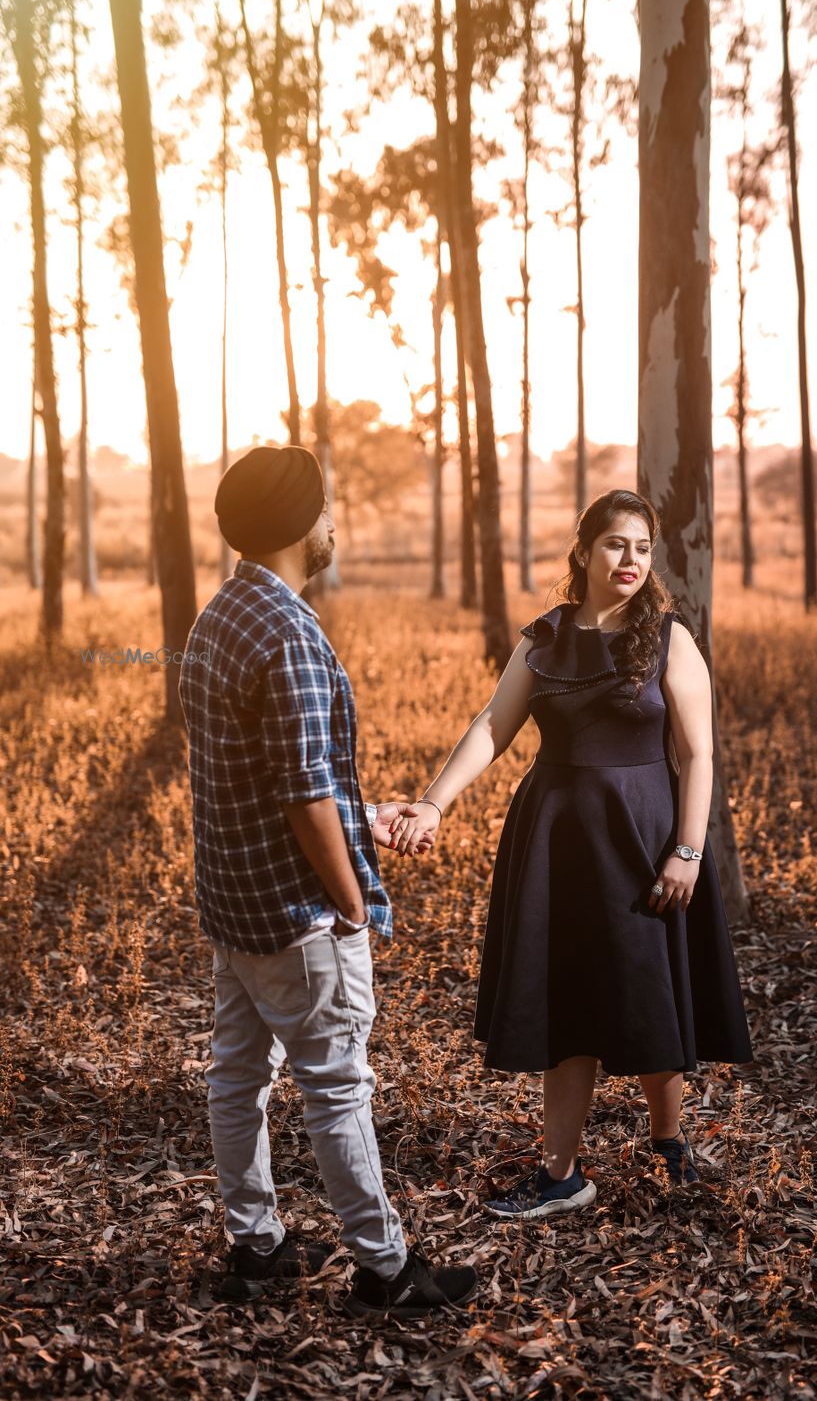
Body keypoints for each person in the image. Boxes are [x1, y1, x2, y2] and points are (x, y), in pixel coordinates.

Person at [390, 488, 753, 1218]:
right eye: (617, 544)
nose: (631, 560)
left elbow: (697, 752)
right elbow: (493, 725)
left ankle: (669, 1141)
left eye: (643, 548)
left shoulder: (670, 637)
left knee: (648, 984)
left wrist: (687, 849)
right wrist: (433, 801)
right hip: (556, 842)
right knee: (568, 997)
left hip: (645, 836)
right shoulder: (546, 638)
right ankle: (560, 1175)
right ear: (584, 550)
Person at [178, 444, 476, 1315]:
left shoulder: (217, 620)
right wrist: (350, 902)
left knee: (236, 1077)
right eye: (324, 507)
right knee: (338, 1085)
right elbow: (305, 795)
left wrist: (364, 813)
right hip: (299, 914)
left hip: (233, 905)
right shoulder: (292, 635)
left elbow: (263, 773)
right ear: (303, 526)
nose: (332, 521)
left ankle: (256, 1244)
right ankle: (384, 1269)